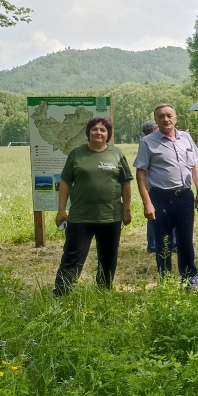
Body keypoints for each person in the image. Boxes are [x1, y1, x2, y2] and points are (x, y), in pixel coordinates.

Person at [53, 117, 132, 296]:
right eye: (95, 129)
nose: (99, 132)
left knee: (108, 260)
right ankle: (61, 294)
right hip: (80, 217)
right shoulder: (76, 153)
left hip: (110, 216)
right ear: (88, 133)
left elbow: (126, 184)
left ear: (108, 135)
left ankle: (103, 293)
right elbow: (65, 182)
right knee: (72, 258)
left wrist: (126, 210)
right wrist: (61, 210)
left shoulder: (117, 154)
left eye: (103, 130)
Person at [134, 103, 198, 284]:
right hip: (161, 197)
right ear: (156, 120)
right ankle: (165, 280)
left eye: (169, 115)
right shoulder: (147, 142)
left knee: (185, 240)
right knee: (163, 241)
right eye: (161, 116)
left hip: (184, 197)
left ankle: (189, 278)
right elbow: (140, 173)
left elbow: (195, 166)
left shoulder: (186, 138)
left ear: (175, 118)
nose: (166, 119)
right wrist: (147, 203)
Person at [142, 120, 177, 255]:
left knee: (169, 215)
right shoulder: (147, 142)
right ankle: (154, 245)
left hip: (163, 187)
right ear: (152, 130)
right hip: (154, 187)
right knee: (154, 216)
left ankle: (170, 244)